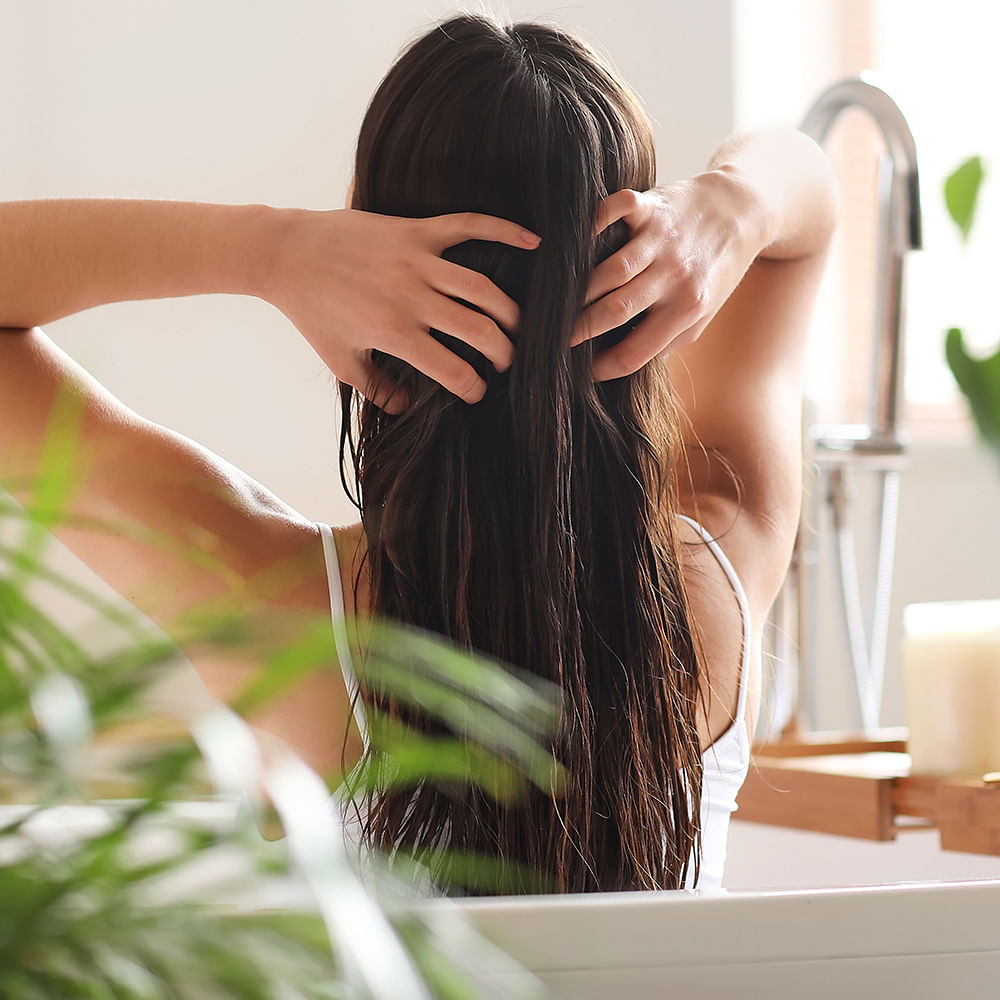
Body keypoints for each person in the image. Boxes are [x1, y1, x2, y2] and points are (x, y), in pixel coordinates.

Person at [0, 14, 837, 892]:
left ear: (364, 256)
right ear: (643, 267)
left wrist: (271, 248)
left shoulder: (286, 616)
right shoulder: (715, 588)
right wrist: (733, 204)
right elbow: (810, 207)